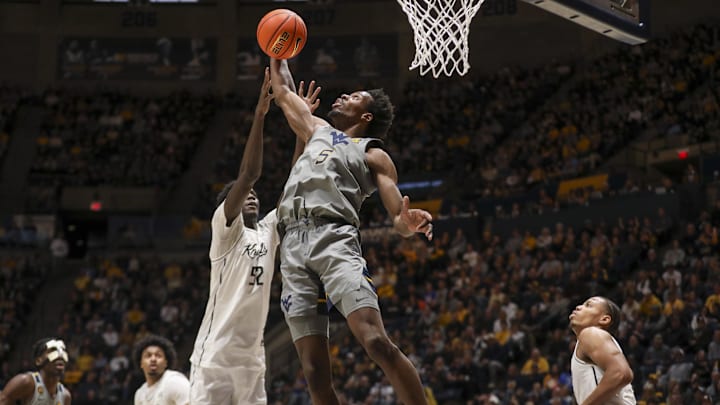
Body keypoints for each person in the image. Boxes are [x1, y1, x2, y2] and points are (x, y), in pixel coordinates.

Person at [270, 58, 433, 405]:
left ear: (366, 117)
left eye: (354, 97)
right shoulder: (314, 129)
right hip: (293, 247)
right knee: (314, 373)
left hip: (334, 240)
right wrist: (276, 52)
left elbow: (396, 218)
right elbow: (282, 90)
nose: (343, 95)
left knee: (375, 341)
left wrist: (408, 222)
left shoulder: (373, 154)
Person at [188, 67, 319, 404]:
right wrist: (260, 116)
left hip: (251, 363)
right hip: (213, 359)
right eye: (242, 194)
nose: (251, 195)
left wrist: (302, 131)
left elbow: (295, 181)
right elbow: (249, 174)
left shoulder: (268, 231)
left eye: (255, 195)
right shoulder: (224, 232)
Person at [569, 296, 636, 405]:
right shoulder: (596, 342)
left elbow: (621, 373)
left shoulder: (591, 333)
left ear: (604, 319)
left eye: (589, 305)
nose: (578, 307)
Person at [0, 338, 71, 405]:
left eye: (62, 350)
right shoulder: (26, 381)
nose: (60, 355)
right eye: (52, 351)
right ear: (38, 361)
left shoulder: (65, 396)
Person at [133, 335, 189, 405]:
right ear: (141, 363)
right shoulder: (139, 394)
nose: (153, 359)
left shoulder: (175, 381)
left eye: (158, 355)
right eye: (148, 355)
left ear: (166, 362)